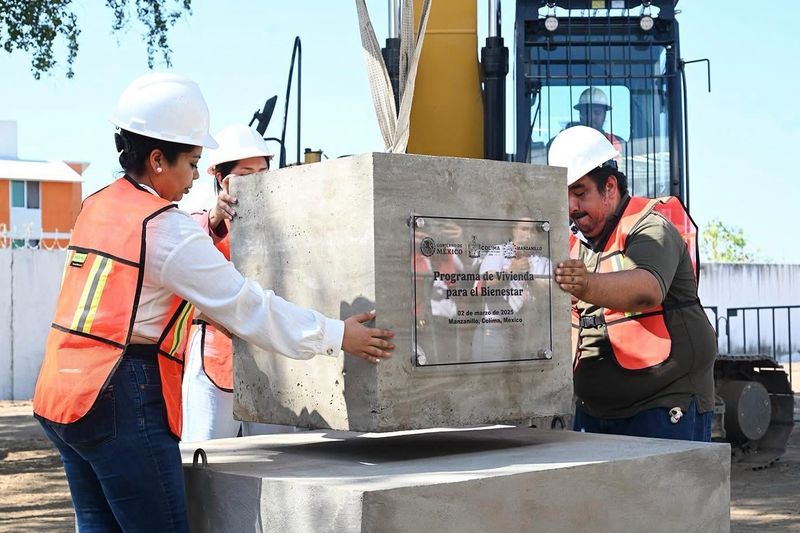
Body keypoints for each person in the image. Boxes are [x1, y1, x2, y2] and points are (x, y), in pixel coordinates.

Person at [31, 72, 395, 532]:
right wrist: (340, 334)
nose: (192, 180)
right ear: (158, 159)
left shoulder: (100, 203)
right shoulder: (165, 227)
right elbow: (249, 306)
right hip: (121, 395)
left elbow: (120, 301)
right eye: (192, 163)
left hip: (63, 391)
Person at [548, 125, 715, 442]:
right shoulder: (574, 243)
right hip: (594, 412)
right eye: (564, 195)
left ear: (609, 187)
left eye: (580, 193)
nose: (570, 206)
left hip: (663, 407)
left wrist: (585, 284)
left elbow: (647, 289)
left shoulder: (650, 226)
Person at [180, 123, 278, 442]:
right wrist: (216, 217)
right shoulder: (197, 222)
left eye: (263, 172)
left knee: (278, 457)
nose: (257, 181)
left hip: (271, 358)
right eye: (246, 172)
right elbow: (196, 239)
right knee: (205, 454)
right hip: (215, 358)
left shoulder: (281, 224)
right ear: (222, 179)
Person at [573, 87, 624, 153]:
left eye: (597, 113)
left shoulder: (617, 142)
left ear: (604, 115)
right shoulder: (566, 142)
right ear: (580, 114)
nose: (591, 117)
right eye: (586, 112)